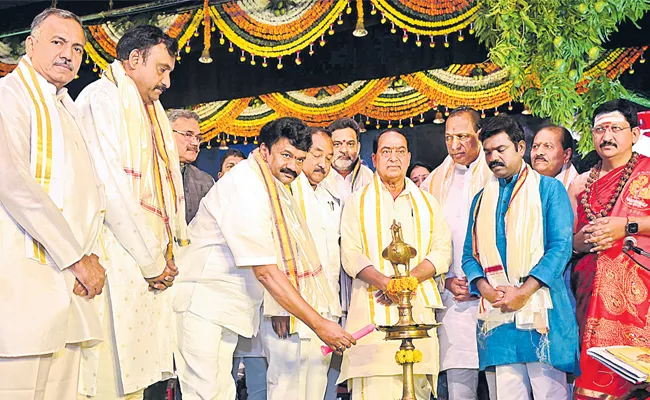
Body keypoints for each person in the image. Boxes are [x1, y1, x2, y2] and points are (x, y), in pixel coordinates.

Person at [173, 117, 355, 400]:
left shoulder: (272, 185)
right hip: (202, 305)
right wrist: (319, 323)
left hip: (224, 309)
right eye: (285, 155)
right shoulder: (247, 186)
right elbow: (266, 271)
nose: (292, 166)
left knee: (220, 394)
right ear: (264, 151)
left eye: (299, 159)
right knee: (204, 394)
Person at [76, 25, 188, 400]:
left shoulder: (148, 111)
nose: (167, 82)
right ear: (134, 59)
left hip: (142, 261)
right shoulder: (101, 99)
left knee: (134, 384)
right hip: (112, 253)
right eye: (162, 69)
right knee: (108, 378)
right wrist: (152, 260)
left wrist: (165, 255)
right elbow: (111, 186)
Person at [0, 8, 106, 399]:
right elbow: (13, 182)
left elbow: (91, 194)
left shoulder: (66, 106)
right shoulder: (9, 97)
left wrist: (89, 257)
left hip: (69, 282)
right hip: (24, 281)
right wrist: (77, 257)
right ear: (30, 45)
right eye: (57, 42)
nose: (68, 54)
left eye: (77, 48)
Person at [462, 115, 579, 400]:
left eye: (501, 149)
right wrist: (486, 289)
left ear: (520, 147)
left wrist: (524, 292)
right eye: (488, 151)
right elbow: (469, 255)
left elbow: (560, 248)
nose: (493, 157)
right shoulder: (481, 200)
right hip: (499, 319)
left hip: (544, 318)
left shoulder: (549, 190)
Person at [340, 128, 452, 399]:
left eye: (400, 151)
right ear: (374, 158)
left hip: (418, 316)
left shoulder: (428, 203)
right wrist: (385, 283)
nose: (394, 158)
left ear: (409, 157)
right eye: (387, 152)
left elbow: (442, 251)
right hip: (370, 318)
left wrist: (407, 282)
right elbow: (351, 254)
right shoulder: (357, 202)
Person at [569, 99, 650, 399]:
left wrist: (626, 226)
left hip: (641, 304)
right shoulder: (579, 184)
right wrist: (580, 242)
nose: (607, 136)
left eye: (616, 128)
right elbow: (564, 242)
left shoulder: (648, 171)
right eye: (600, 129)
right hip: (589, 299)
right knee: (594, 385)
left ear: (635, 135)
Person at [259, 127, 342, 400]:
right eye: (316, 154)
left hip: (324, 311)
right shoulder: (281, 191)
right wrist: (277, 307)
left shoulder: (332, 197)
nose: (322, 163)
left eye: (329, 158)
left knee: (315, 389)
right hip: (289, 310)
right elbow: (270, 250)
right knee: (286, 388)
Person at [420, 107, 493, 400]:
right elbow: (426, 241)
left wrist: (482, 283)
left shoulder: (499, 173)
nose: (454, 145)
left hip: (495, 293)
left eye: (462, 136)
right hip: (453, 297)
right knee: (459, 388)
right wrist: (447, 280)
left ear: (480, 134)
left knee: (505, 385)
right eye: (449, 137)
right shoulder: (434, 182)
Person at [322, 117, 373, 399]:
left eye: (350, 143)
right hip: (327, 280)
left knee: (362, 357)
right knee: (326, 359)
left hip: (361, 281)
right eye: (337, 143)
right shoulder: (316, 178)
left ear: (358, 146)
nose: (344, 150)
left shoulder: (371, 181)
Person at [168, 109, 214, 223]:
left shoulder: (206, 182)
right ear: (166, 133)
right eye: (188, 135)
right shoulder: (148, 173)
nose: (195, 143)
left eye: (198, 138)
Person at [531, 124, 578, 189]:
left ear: (566, 155)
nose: (539, 152)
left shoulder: (581, 189)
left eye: (548, 146)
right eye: (535, 146)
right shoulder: (522, 183)